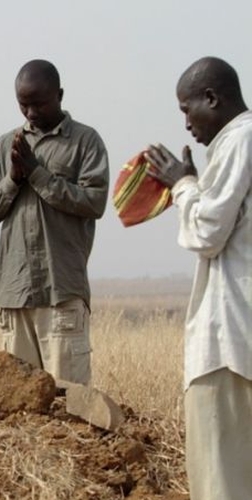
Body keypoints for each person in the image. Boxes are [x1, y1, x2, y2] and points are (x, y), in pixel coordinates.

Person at [144, 57, 252, 500]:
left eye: (187, 109)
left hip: (229, 339)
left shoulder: (241, 139)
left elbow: (208, 231)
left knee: (221, 477)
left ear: (212, 98)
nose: (187, 122)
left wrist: (183, 184)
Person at [0, 59, 109, 385]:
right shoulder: (6, 145)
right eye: (24, 104)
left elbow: (94, 202)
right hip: (12, 293)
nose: (31, 113)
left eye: (39, 103)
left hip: (60, 291)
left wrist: (37, 173)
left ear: (60, 95)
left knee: (69, 402)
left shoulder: (86, 142)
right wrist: (12, 180)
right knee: (17, 404)